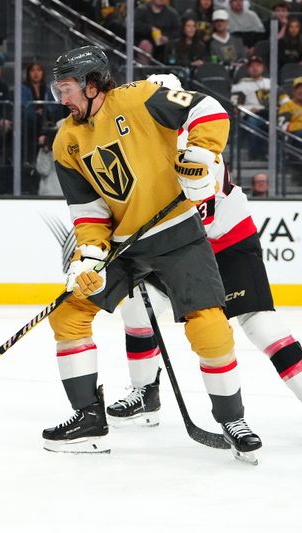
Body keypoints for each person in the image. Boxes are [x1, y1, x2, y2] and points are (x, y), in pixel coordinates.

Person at [43, 46, 261, 460]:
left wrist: (199, 151)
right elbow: (88, 212)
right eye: (59, 91)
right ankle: (89, 419)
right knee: (69, 314)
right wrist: (88, 256)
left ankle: (232, 418)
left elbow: (209, 109)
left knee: (207, 323)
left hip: (177, 231)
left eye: (68, 89)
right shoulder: (66, 141)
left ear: (92, 85)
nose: (63, 99)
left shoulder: (140, 97)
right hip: (123, 244)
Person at [106, 75, 302, 434]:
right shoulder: (140, 144)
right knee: (136, 306)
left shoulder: (195, 149)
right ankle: (146, 394)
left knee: (259, 324)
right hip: (176, 249)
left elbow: (202, 219)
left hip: (224, 242)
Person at [231, 55, 270, 159]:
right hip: (251, 114)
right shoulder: (241, 84)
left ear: (263, 68)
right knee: (253, 122)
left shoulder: (270, 83)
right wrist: (248, 110)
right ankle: (255, 155)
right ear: (248, 69)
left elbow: (283, 101)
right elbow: (235, 105)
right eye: (252, 66)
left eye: (258, 65)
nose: (255, 68)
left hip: (269, 114)